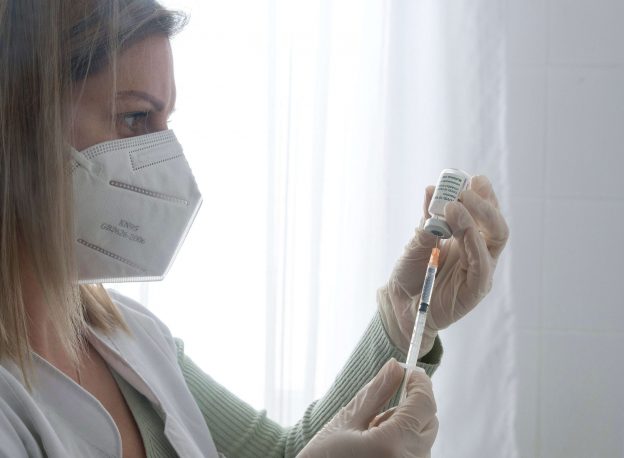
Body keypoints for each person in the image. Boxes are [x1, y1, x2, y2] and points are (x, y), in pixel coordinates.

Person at [0, 1, 509, 457]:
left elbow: (284, 453)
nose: (165, 158)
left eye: (166, 122)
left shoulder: (131, 338)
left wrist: (403, 315)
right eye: (134, 118)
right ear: (19, 127)